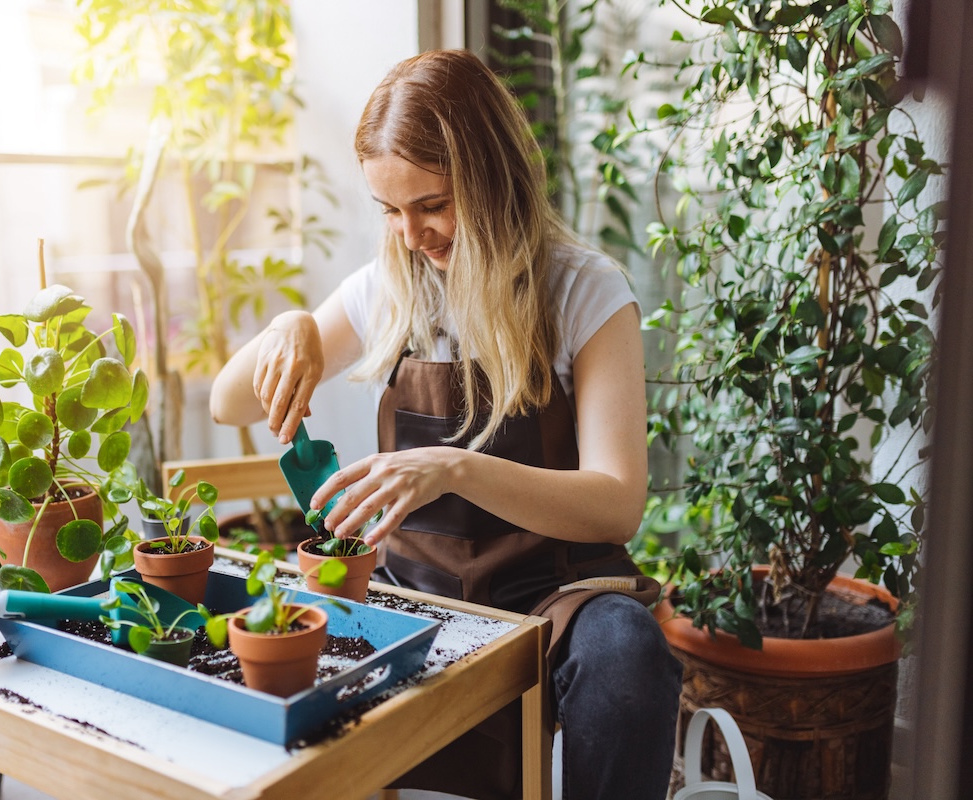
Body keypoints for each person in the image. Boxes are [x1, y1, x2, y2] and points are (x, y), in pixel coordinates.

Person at [210, 48, 682, 800]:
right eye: (390, 211)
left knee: (629, 660)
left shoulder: (585, 292)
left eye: (433, 204)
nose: (412, 235)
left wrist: (455, 467)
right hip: (412, 587)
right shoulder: (390, 290)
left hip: (554, 592)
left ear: (494, 177)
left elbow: (617, 500)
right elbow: (227, 404)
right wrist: (288, 327)